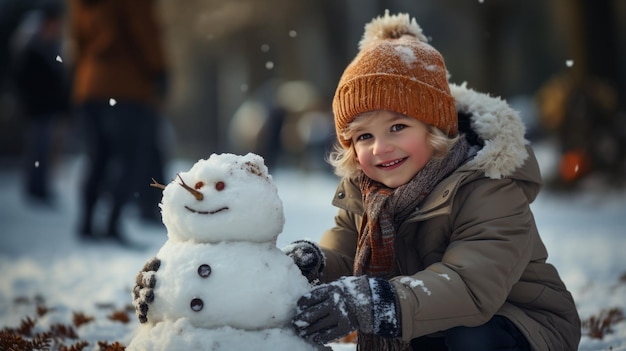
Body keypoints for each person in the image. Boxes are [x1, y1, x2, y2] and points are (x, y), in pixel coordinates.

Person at [283, 11, 581, 351]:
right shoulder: (366, 192)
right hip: (428, 328)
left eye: (398, 127)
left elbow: (470, 285)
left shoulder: (488, 186)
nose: (381, 148)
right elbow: (345, 256)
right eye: (364, 136)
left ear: (435, 128)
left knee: (472, 339)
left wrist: (378, 302)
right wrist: (314, 265)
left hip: (521, 323)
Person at [68, 0, 169, 243]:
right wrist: (159, 70)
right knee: (128, 158)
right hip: (126, 86)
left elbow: (78, 41)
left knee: (98, 157)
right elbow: (144, 32)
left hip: (89, 86)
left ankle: (86, 222)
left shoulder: (81, 5)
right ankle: (113, 223)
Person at [11, 1, 68, 205]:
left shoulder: (51, 46)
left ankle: (41, 187)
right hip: (37, 108)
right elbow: (25, 79)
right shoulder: (32, 46)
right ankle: (35, 189)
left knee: (45, 149)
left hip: (48, 108)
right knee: (37, 149)